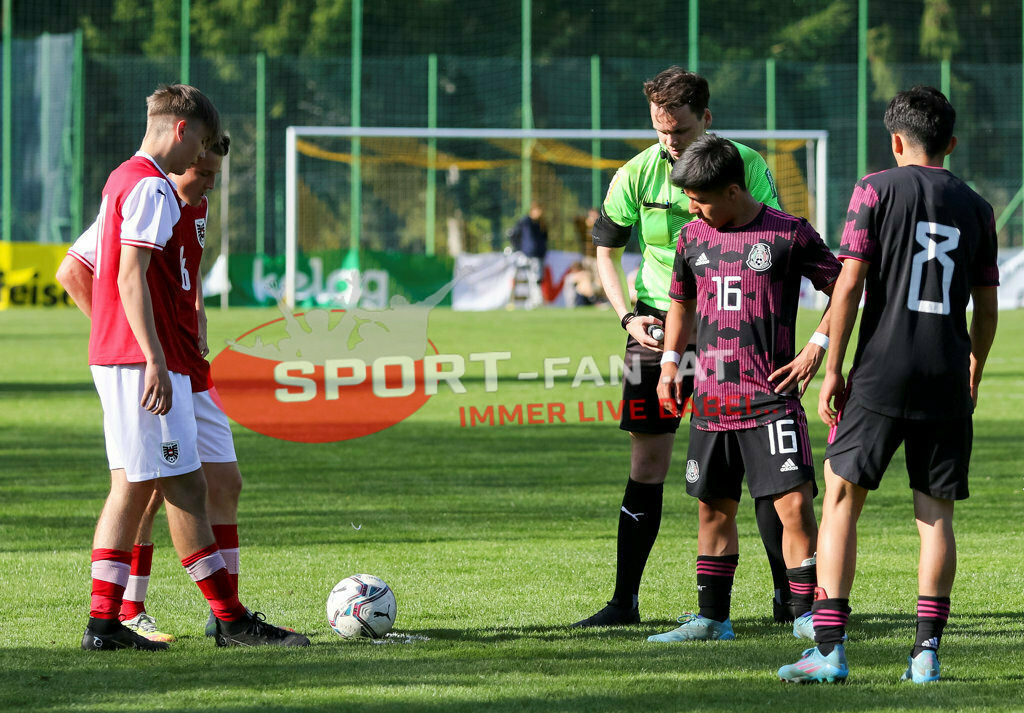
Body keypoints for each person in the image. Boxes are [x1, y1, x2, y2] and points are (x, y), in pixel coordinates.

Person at [65, 84, 307, 649]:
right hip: (146, 361)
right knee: (179, 487)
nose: (200, 162)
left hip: (153, 360)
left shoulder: (127, 180)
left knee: (142, 486)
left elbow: (152, 277)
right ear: (182, 131)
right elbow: (122, 276)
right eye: (198, 147)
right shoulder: (149, 186)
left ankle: (108, 623)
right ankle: (228, 620)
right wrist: (147, 354)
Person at [778, 87, 999, 684]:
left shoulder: (875, 188)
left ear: (895, 140)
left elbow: (848, 286)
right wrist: (974, 365)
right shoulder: (979, 207)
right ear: (950, 144)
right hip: (946, 375)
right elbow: (986, 308)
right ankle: (925, 654)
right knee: (936, 515)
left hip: (880, 371)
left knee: (842, 497)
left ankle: (828, 650)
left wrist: (831, 368)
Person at [574, 66, 793, 628]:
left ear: (707, 120)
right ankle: (624, 603)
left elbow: (768, 234)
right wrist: (627, 318)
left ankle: (789, 601)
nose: (669, 141)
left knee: (764, 467)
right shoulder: (635, 174)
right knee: (647, 465)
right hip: (652, 332)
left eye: (680, 130)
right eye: (660, 129)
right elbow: (606, 250)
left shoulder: (747, 165)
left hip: (732, 332)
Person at [649, 134, 840, 642]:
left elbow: (845, 288)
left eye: (702, 199)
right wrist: (671, 364)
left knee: (794, 506)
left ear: (734, 190)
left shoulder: (788, 233)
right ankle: (713, 619)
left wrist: (816, 345)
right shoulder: (691, 237)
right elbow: (682, 304)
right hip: (711, 399)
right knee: (712, 509)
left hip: (772, 398)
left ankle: (806, 613)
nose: (694, 208)